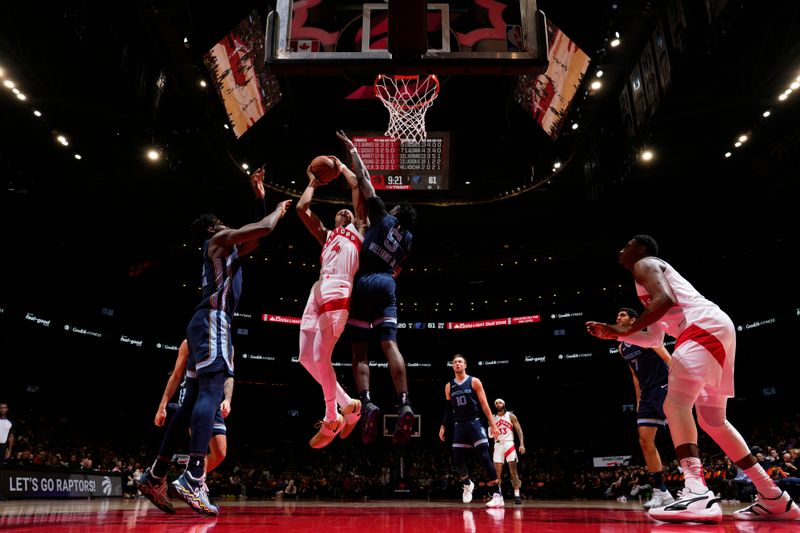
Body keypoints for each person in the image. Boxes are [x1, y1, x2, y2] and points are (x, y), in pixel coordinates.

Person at [586, 235, 800, 523]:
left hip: (700, 327)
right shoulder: (645, 280)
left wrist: (622, 330)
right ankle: (773, 496)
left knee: (675, 407)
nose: (621, 249)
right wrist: (616, 332)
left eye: (627, 244)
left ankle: (697, 492)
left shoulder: (645, 264)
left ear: (640, 249)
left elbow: (665, 301)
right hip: (714, 327)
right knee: (713, 422)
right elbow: (656, 336)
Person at [137, 180, 291, 517]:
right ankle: (193, 474)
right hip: (213, 320)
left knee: (192, 398)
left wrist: (261, 198)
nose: (228, 225)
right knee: (210, 388)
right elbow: (264, 227)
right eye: (222, 221)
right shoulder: (218, 240)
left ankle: (155, 474)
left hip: (202, 322)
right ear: (212, 226)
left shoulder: (228, 249)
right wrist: (278, 210)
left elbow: (257, 234)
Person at [336, 131, 417, 445]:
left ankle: (368, 401)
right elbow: (399, 267)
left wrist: (353, 150)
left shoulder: (384, 216)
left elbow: (364, 177)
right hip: (388, 284)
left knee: (359, 349)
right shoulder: (408, 239)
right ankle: (405, 401)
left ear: (396, 213)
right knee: (390, 346)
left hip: (365, 281)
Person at [295, 153, 367, 448]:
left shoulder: (359, 230)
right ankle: (348, 404)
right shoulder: (326, 236)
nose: (344, 212)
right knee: (305, 357)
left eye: (346, 212)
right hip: (318, 289)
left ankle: (332, 414)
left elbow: (357, 189)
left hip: (339, 289)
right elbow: (302, 207)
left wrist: (345, 163)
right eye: (339, 212)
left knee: (322, 355)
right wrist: (313, 181)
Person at [593, 307, 676, 509]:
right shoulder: (622, 347)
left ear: (633, 320)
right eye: (617, 314)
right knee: (645, 441)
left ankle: (695, 485)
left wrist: (679, 384)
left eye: (622, 315)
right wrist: (638, 399)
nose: (617, 317)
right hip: (647, 394)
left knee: (679, 435)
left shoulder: (647, 336)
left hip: (664, 386)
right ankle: (661, 491)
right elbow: (634, 374)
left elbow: (668, 358)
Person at [153, 340, 232, 474]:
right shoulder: (188, 343)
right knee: (200, 450)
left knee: (220, 453)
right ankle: (193, 482)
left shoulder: (228, 346)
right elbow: (176, 375)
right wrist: (162, 405)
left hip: (215, 398)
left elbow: (228, 376)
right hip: (194, 397)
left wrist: (228, 399)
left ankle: (189, 479)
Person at [438, 354, 504, 508]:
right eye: (454, 362)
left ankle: (497, 494)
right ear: (452, 366)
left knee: (484, 457)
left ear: (465, 365)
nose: (457, 364)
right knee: (458, 460)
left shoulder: (474, 381)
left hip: (474, 423)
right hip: (459, 425)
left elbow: (485, 404)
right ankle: (467, 483)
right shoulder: (448, 386)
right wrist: (443, 425)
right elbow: (448, 409)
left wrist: (493, 424)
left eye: (460, 362)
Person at [491, 398, 526, 505]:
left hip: (509, 443)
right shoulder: (492, 417)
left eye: (500, 402)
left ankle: (517, 495)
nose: (498, 404)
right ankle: (498, 496)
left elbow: (519, 430)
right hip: (497, 444)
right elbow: (490, 432)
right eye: (496, 403)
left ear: (504, 404)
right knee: (497, 473)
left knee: (513, 471)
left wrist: (521, 444)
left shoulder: (511, 416)